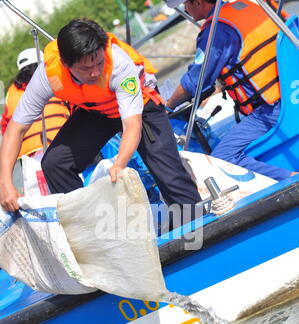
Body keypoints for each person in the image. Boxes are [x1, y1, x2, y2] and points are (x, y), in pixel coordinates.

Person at [0, 18, 201, 218]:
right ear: (66, 64)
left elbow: (132, 125)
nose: (95, 72)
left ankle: (198, 227)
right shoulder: (48, 75)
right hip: (97, 111)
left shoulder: (119, 63)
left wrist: (120, 164)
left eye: (98, 62)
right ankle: (89, 229)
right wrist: (5, 183)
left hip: (140, 109)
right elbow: (15, 129)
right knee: (54, 163)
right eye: (85, 69)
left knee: (170, 175)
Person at [165, 0, 296, 181]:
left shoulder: (216, 30)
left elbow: (195, 82)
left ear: (198, 2)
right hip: (290, 91)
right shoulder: (247, 6)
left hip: (272, 109)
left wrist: (168, 106)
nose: (184, 9)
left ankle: (291, 180)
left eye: (185, 3)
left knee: (222, 158)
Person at [1, 48, 70, 159]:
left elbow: (6, 127)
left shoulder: (11, 91)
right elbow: (72, 103)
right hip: (61, 141)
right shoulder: (54, 79)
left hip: (30, 154)